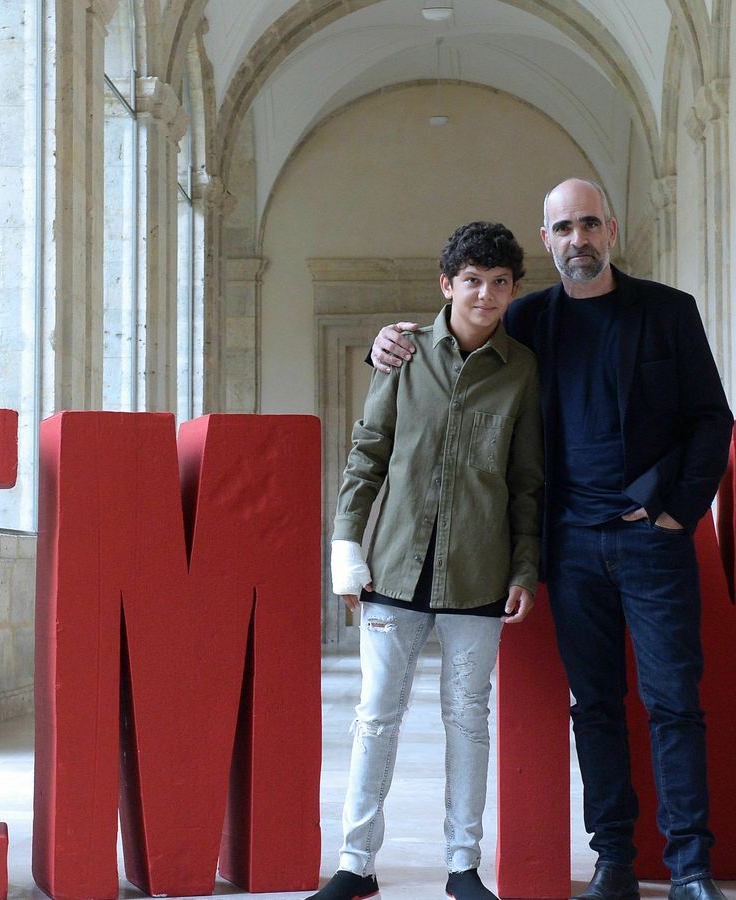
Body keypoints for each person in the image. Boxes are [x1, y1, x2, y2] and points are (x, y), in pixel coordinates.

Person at [370, 179, 734, 900]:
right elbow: (461, 337)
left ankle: (691, 868)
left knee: (672, 702)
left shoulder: (668, 313)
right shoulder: (530, 318)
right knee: (594, 706)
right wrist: (393, 339)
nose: (579, 239)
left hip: (650, 544)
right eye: (564, 227)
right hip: (568, 548)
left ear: (612, 229)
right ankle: (615, 863)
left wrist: (673, 516)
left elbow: (710, 420)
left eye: (590, 224)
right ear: (548, 239)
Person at [313, 221, 543, 900]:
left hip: (480, 572)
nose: (485, 294)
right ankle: (356, 865)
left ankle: (463, 867)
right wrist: (346, 548)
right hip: (392, 571)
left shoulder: (523, 369)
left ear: (513, 290)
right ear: (447, 285)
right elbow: (367, 455)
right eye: (472, 280)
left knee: (468, 720)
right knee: (375, 717)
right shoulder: (402, 354)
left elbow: (527, 480)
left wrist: (524, 567)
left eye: (499, 283)